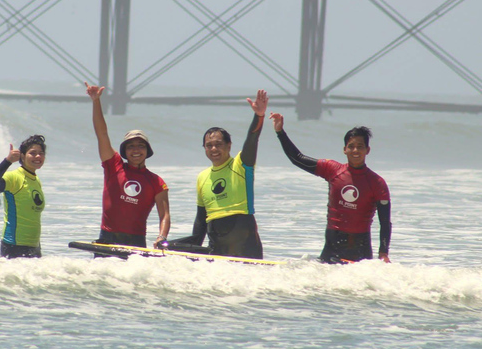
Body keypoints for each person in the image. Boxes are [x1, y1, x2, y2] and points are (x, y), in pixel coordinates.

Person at [269, 113, 392, 264]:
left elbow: (385, 222)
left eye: (360, 147)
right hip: (332, 247)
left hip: (360, 249)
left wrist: (383, 253)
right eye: (351, 146)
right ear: (344, 149)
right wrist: (280, 132)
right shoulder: (332, 170)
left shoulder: (377, 183)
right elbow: (297, 158)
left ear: (367, 150)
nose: (355, 150)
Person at [167, 90, 269, 259]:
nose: (213, 149)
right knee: (166, 247)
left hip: (245, 243)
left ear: (229, 146)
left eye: (218, 144)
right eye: (209, 145)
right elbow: (200, 221)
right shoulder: (202, 177)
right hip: (216, 247)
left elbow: (252, 139)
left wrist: (259, 116)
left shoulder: (241, 165)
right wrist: (172, 247)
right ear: (204, 149)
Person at [85, 82, 170, 249]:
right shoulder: (114, 166)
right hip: (107, 237)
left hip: (136, 241)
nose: (136, 150)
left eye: (141, 146)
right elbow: (102, 134)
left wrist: (162, 237)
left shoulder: (157, 182)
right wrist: (96, 101)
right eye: (131, 146)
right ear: (125, 151)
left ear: (147, 150)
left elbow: (164, 215)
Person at [0, 135, 47, 259]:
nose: (38, 156)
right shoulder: (14, 177)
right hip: (14, 245)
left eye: (41, 153)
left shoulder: (35, 180)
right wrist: (7, 161)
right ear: (22, 156)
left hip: (33, 245)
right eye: (32, 153)